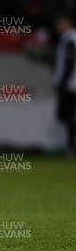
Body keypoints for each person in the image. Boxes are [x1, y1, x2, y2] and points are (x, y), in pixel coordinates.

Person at [53, 13, 76, 157]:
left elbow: (69, 62)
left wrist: (62, 82)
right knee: (67, 116)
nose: (58, 26)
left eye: (60, 22)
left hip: (72, 84)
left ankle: (70, 146)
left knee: (66, 115)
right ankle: (70, 146)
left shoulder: (70, 39)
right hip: (71, 82)